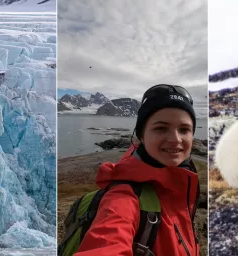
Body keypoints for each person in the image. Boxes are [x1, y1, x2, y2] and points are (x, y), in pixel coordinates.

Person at [74, 84, 201, 255]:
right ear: (141, 135)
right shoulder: (124, 197)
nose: (175, 139)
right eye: (161, 128)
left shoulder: (184, 185)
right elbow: (107, 244)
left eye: (184, 129)